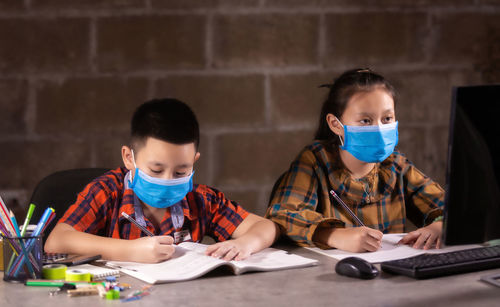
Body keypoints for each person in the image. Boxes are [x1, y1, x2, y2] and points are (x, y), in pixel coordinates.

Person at [45, 98, 278, 263]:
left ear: (194, 161)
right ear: (129, 158)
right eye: (156, 170)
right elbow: (56, 241)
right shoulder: (106, 192)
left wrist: (244, 244)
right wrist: (130, 250)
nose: (167, 180)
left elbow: (265, 226)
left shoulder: (202, 200)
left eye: (180, 172)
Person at [266, 68, 444, 253]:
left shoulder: (396, 165)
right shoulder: (314, 161)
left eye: (387, 118)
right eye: (365, 121)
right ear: (336, 124)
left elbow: (452, 206)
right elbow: (282, 215)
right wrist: (334, 235)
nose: (379, 128)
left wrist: (440, 225)